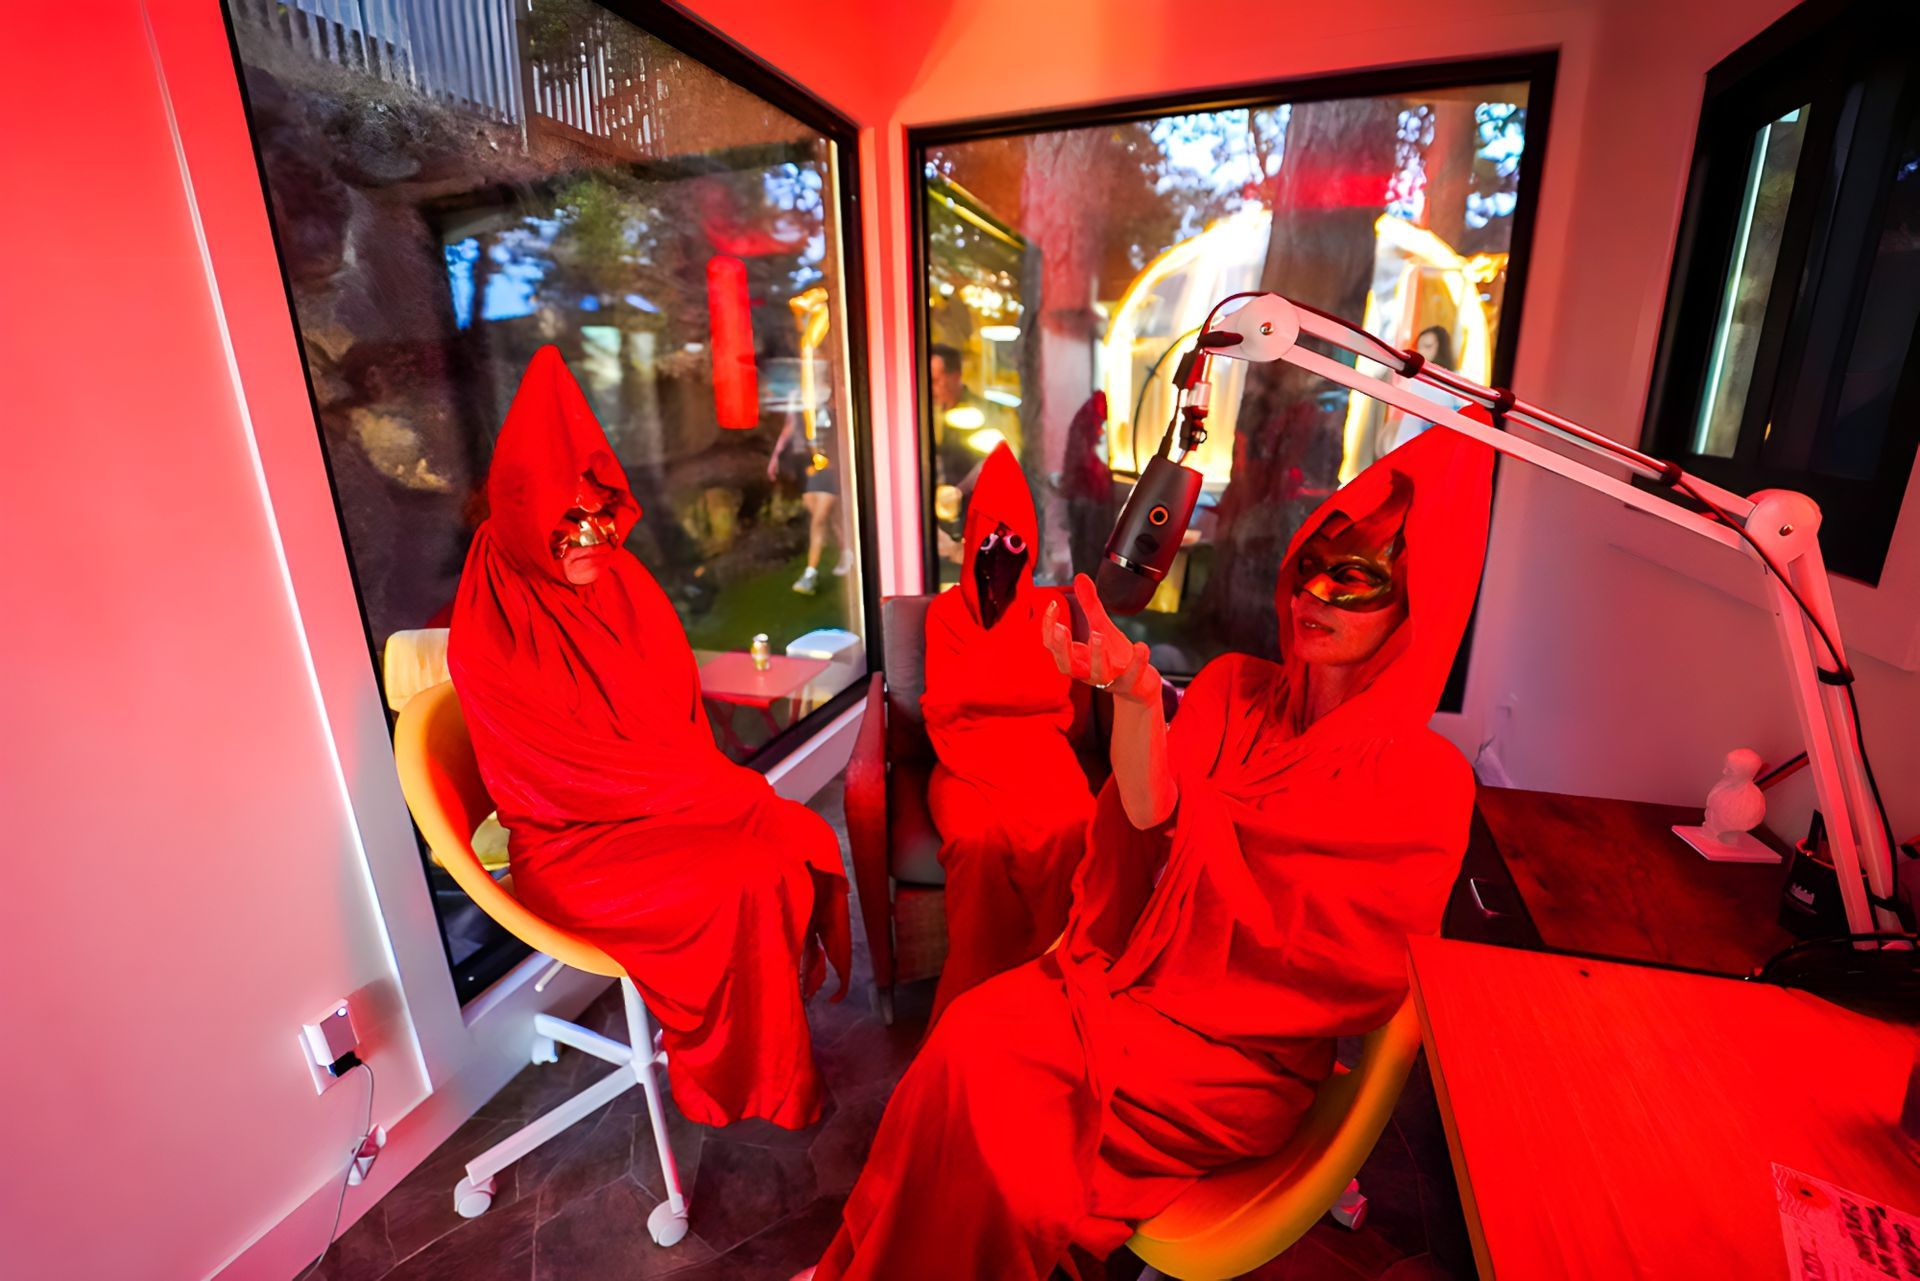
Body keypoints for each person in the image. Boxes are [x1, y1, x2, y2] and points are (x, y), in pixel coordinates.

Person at [800, 425, 1494, 1280]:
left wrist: (1205, 845)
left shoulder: (1426, 781)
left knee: (994, 1088)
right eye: (1311, 563)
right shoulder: (1233, 686)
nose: (1315, 592)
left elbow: (1347, 973)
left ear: (1418, 600)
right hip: (1137, 981)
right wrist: (1134, 699)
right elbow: (1149, 809)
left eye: (1355, 576)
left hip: (1238, 1054)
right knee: (963, 1038)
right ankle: (868, 1258)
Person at [450, 346, 851, 1131]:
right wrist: (711, 790)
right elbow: (557, 780)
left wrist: (703, 789)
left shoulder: (622, 580)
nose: (593, 535)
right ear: (525, 509)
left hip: (658, 803)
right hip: (573, 842)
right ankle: (745, 1078)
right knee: (744, 874)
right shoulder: (491, 624)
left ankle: (770, 1058)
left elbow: (673, 715)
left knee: (791, 838)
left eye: (602, 511)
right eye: (568, 520)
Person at [921, 443, 1095, 1024]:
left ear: (1031, 543)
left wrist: (984, 687)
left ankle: (1048, 986)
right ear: (971, 540)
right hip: (962, 766)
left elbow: (1053, 696)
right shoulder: (945, 614)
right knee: (975, 841)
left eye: (1013, 540)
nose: (999, 552)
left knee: (1075, 824)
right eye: (988, 539)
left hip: (1042, 757)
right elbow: (943, 705)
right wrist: (1014, 687)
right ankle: (977, 996)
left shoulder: (1051, 610)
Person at [770, 406, 852, 595]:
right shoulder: (801, 410)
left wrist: (832, 462)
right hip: (810, 471)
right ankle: (846, 550)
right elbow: (790, 434)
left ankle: (810, 573)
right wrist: (777, 459)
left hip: (829, 470)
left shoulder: (833, 409)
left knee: (818, 521)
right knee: (826, 519)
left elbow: (838, 439)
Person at [1379, 324, 1465, 457]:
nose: (1422, 352)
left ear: (1442, 348)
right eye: (1419, 348)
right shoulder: (1415, 381)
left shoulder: (1455, 381)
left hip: (1434, 449)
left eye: (1428, 346)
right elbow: (1401, 417)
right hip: (1408, 447)